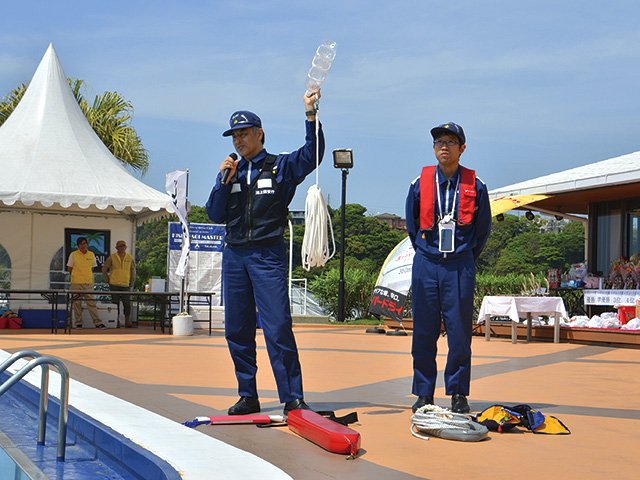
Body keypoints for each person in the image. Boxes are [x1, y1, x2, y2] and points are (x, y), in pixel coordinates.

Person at [205, 90, 324, 416]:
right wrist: (222, 182)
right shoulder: (230, 173)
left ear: (259, 134)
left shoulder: (279, 167)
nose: (239, 140)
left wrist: (311, 116)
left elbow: (313, 154)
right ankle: (248, 394)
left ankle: (292, 397)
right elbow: (215, 214)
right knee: (237, 329)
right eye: (234, 136)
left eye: (244, 133)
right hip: (235, 256)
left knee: (277, 327)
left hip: (266, 256)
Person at [405, 122, 491, 414]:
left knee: (459, 334)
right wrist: (428, 253)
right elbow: (412, 226)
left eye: (451, 142)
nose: (444, 146)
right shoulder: (419, 184)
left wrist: (464, 256)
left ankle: (457, 393)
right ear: (433, 148)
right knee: (424, 332)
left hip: (459, 266)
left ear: (462, 148)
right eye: (439, 142)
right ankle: (424, 393)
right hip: (427, 263)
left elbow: (483, 231)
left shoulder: (476, 187)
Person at [67, 237, 106, 329]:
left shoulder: (91, 254)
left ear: (87, 244)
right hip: (76, 283)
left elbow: (92, 268)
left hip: (88, 283)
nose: (83, 245)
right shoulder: (73, 254)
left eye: (84, 243)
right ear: (78, 246)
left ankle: (97, 323)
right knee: (76, 304)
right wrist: (77, 275)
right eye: (81, 244)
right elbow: (69, 268)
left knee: (91, 303)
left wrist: (86, 275)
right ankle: (78, 323)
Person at [102, 240, 136, 327]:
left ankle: (127, 322)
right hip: (114, 284)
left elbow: (133, 270)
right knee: (115, 304)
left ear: (126, 247)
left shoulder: (130, 257)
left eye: (123, 246)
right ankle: (115, 322)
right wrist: (107, 279)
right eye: (120, 246)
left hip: (125, 284)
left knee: (127, 304)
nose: (122, 248)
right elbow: (104, 269)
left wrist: (132, 281)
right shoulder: (112, 257)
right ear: (117, 248)